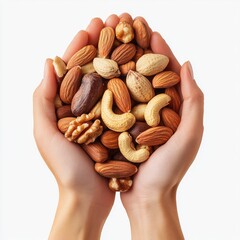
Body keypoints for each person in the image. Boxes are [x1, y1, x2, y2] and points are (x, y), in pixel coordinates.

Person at [33, 13, 204, 240]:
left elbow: (139, 119)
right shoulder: (106, 88)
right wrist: (153, 199)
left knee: (115, 134)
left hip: (126, 127)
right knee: (106, 137)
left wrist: (80, 197)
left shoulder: (131, 97)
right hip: (117, 128)